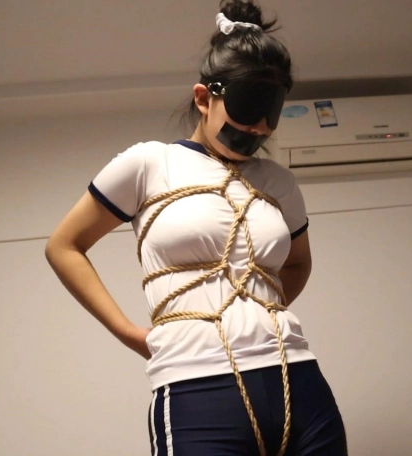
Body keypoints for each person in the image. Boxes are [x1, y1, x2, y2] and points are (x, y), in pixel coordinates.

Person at [45, 1, 347, 454]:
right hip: (197, 384)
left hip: (298, 380)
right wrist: (130, 334)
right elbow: (64, 246)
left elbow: (298, 263)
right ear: (204, 99)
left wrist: (255, 309)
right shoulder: (151, 164)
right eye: (244, 119)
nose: (256, 133)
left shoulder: (278, 182)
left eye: (266, 125)